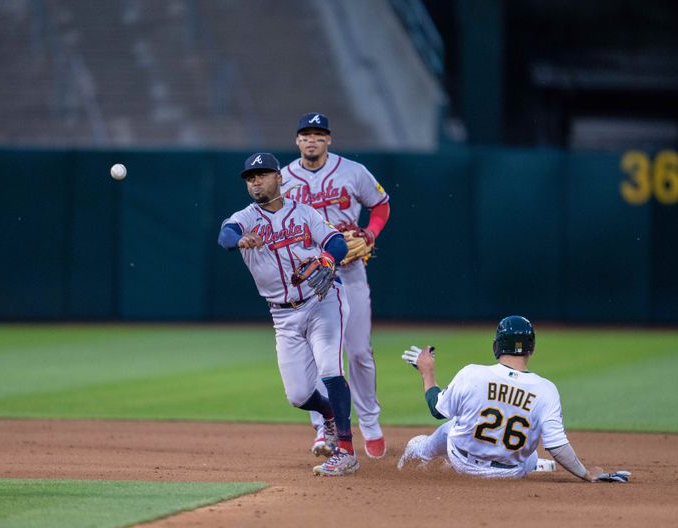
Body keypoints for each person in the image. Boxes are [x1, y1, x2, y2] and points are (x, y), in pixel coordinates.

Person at [217, 152, 359, 476]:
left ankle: (347, 451)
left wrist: (326, 258)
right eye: (250, 178)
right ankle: (328, 416)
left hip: (322, 300)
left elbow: (337, 242)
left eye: (262, 175)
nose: (256, 181)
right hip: (283, 317)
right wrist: (240, 240)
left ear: (279, 177)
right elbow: (224, 236)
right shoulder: (245, 219)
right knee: (297, 395)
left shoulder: (305, 213)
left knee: (330, 368)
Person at [397, 316, 631, 482]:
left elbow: (437, 410)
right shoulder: (546, 390)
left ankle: (415, 455)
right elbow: (557, 446)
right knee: (530, 448)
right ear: (531, 348)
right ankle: (540, 464)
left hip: (462, 462)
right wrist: (584, 473)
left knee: (449, 427)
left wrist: (427, 372)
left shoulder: (472, 373)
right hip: (510, 472)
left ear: (497, 345)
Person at [281, 113, 391, 459]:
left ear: (329, 139)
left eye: (318, 134)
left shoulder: (353, 172)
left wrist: (370, 234)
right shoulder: (283, 179)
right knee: (318, 358)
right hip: (308, 279)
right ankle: (323, 429)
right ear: (297, 140)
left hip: (350, 271)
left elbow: (381, 205)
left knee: (358, 351)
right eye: (305, 134)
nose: (311, 140)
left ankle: (370, 424)